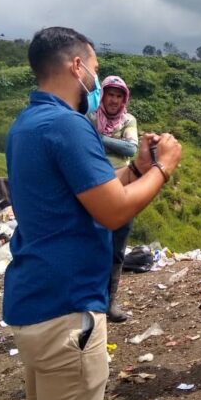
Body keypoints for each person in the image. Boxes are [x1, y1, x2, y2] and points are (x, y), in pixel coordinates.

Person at [3, 27, 181, 400]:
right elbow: (113, 212)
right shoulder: (69, 125)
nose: (97, 81)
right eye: (95, 69)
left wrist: (138, 169)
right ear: (77, 66)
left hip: (33, 302)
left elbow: (92, 191)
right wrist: (165, 167)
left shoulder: (27, 124)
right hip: (67, 311)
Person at [89, 75, 139, 323]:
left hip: (122, 189)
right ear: (103, 96)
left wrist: (99, 139)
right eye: (110, 95)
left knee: (117, 248)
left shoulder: (128, 120)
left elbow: (131, 148)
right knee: (91, 244)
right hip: (93, 188)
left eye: (119, 96)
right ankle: (89, 301)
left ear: (123, 99)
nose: (114, 100)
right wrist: (115, 142)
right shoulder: (89, 118)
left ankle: (110, 302)